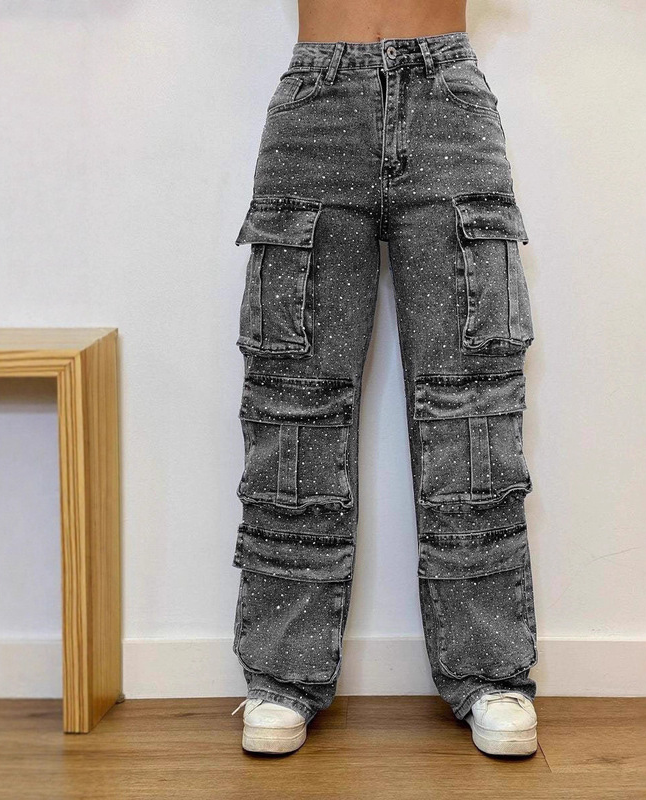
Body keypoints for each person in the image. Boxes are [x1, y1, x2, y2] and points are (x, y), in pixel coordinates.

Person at [230, 0, 539, 757]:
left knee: (472, 402)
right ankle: (282, 674)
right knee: (294, 400)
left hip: (448, 102)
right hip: (317, 105)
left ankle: (491, 672)